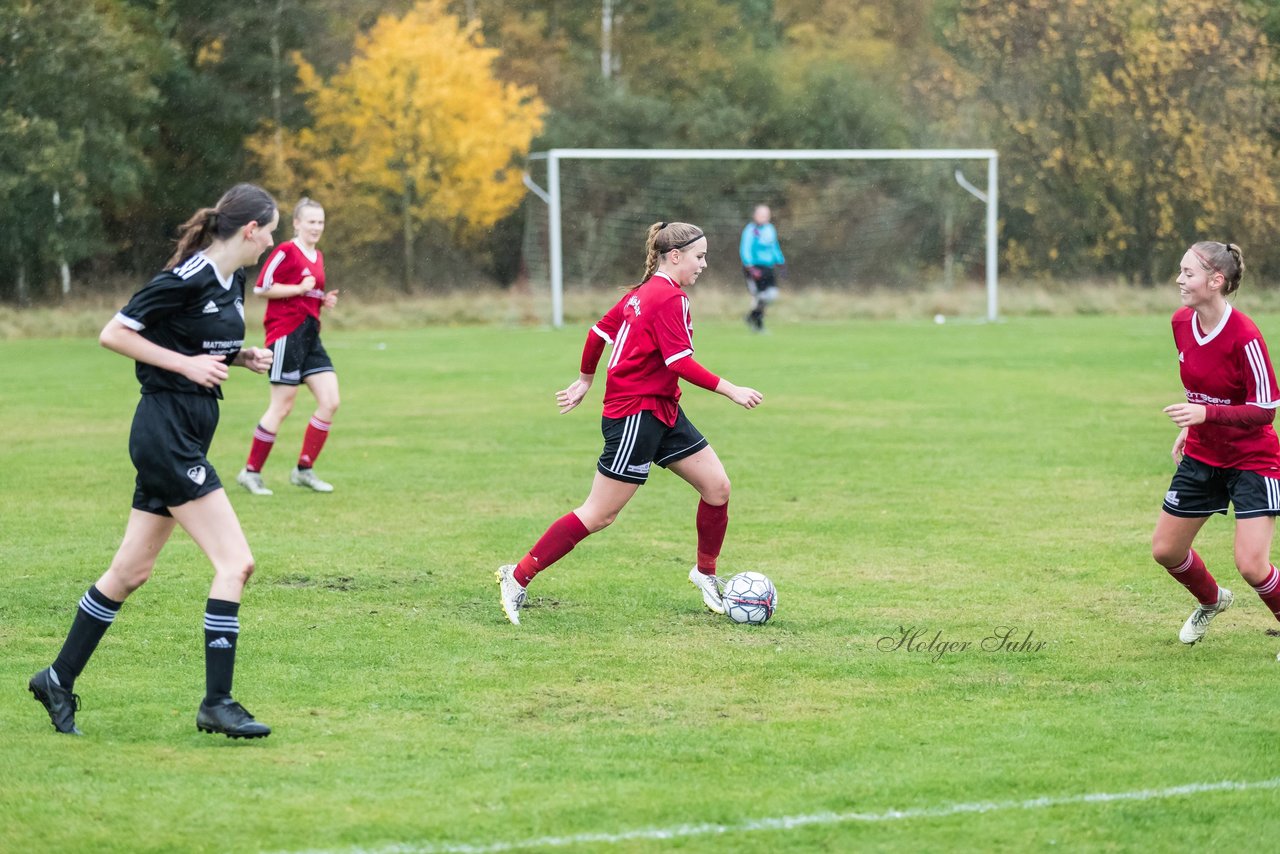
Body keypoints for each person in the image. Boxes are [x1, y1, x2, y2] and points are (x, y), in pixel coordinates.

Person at [28, 184, 279, 738]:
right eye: (272, 231)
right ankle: (217, 702)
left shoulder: (232, 281)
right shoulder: (184, 278)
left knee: (130, 571)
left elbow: (197, 342)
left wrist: (237, 357)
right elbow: (113, 334)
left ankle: (56, 678)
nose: (272, 243)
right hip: (166, 436)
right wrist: (188, 368)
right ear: (250, 230)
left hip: (184, 432)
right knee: (235, 564)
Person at [496, 221, 764, 625]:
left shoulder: (640, 295)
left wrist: (586, 379)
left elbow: (596, 334)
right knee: (599, 513)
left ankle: (705, 573)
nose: (704, 265)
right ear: (675, 256)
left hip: (662, 410)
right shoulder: (667, 298)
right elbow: (680, 363)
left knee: (717, 487)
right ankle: (516, 577)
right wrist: (731, 389)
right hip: (635, 416)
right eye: (699, 256)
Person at [1151, 241, 1280, 658]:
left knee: (1251, 565)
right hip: (1204, 453)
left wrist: (1205, 415)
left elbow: (1265, 410)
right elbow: (1199, 387)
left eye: (1188, 273)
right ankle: (1212, 600)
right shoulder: (1179, 322)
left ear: (1216, 281)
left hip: (1252, 461)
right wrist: (1192, 426)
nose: (1179, 280)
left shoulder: (1245, 336)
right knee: (1166, 550)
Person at [236, 197, 341, 495]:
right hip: (286, 334)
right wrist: (299, 289)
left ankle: (304, 470)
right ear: (296, 223)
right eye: (311, 221)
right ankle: (251, 472)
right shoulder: (285, 251)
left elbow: (310, 291)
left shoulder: (318, 255)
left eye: (320, 222)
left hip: (311, 336)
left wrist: (322, 299)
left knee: (330, 401)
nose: (316, 227)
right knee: (282, 406)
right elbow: (261, 288)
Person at [739, 204, 785, 332]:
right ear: (755, 215)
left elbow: (774, 246)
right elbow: (745, 248)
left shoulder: (770, 229)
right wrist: (750, 266)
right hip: (754, 268)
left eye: (766, 215)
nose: (763, 217)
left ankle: (751, 317)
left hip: (768, 267)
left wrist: (780, 261)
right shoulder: (750, 230)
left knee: (771, 295)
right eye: (761, 214)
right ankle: (758, 324)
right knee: (759, 296)